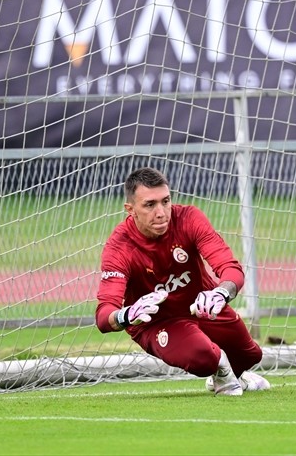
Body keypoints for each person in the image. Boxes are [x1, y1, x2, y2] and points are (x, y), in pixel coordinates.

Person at [95, 167, 270, 395]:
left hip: (201, 307)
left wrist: (221, 293)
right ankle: (219, 369)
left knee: (251, 355)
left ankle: (225, 371)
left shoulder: (188, 218)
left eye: (165, 201)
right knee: (204, 357)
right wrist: (126, 315)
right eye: (150, 205)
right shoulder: (119, 247)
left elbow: (230, 268)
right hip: (157, 323)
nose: (161, 212)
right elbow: (103, 316)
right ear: (131, 210)